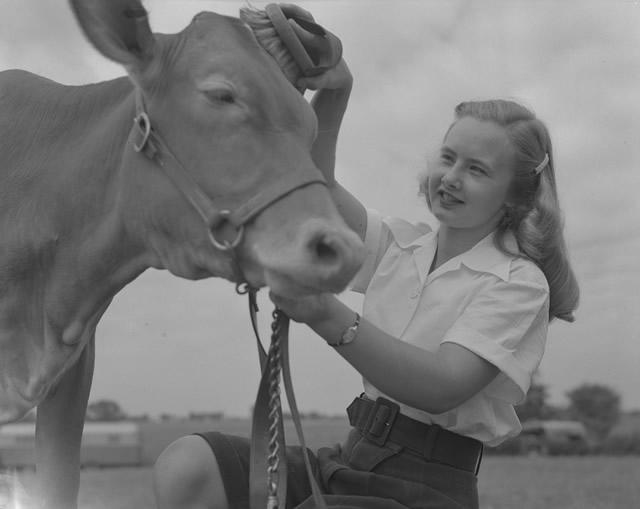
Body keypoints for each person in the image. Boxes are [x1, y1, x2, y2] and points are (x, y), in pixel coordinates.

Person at [152, 5, 579, 509]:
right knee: (190, 463)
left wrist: (326, 313)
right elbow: (319, 185)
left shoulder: (518, 283)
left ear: (515, 197)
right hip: (348, 461)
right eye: (448, 157)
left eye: (478, 169)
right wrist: (337, 90)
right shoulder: (399, 245)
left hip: (427, 488)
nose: (452, 177)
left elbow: (442, 386)